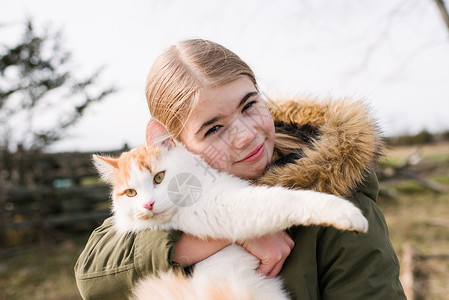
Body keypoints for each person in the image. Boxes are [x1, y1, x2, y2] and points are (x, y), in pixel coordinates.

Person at [75, 39, 406, 299]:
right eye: (213, 129)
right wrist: (213, 235)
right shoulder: (169, 195)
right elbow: (92, 275)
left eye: (249, 105)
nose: (246, 135)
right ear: (175, 147)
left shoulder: (341, 208)